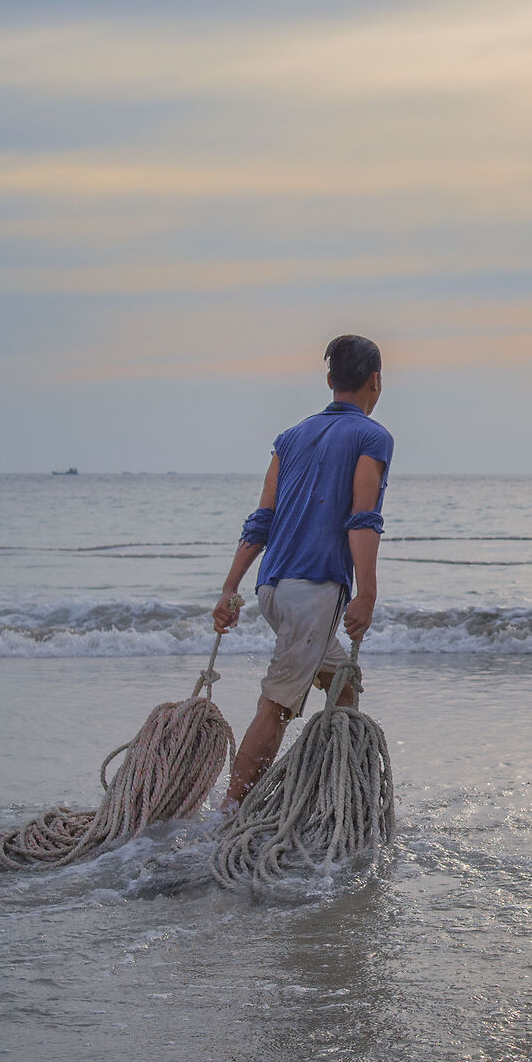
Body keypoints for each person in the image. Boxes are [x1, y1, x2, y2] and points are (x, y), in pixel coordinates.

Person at [212, 335, 393, 813]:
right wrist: (367, 594)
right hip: (314, 592)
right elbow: (363, 518)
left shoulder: (290, 437)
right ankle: (230, 815)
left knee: (342, 685)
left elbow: (262, 519)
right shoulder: (372, 437)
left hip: (272, 588)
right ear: (376, 381)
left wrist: (230, 588)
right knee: (278, 703)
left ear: (330, 380)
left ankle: (336, 793)